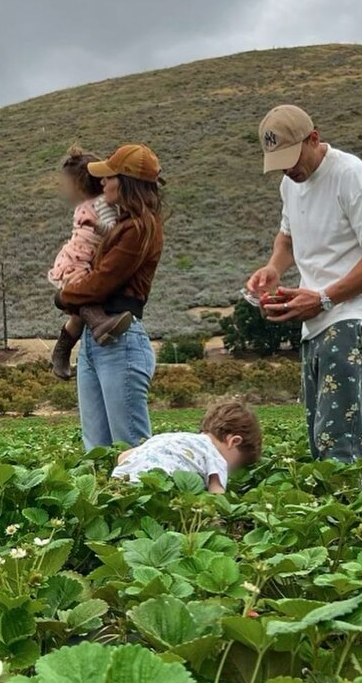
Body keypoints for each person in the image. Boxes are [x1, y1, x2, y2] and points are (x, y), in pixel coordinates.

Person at [246, 105, 362, 467]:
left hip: (357, 322)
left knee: (337, 445)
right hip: (316, 322)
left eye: (291, 158)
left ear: (313, 139)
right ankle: (341, 516)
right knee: (321, 442)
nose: (287, 169)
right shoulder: (291, 183)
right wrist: (273, 268)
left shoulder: (353, 177)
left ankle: (353, 519)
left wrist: (325, 298)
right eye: (279, 162)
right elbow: (286, 238)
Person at [59, 144, 164, 452]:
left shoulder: (140, 229)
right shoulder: (122, 224)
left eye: (109, 177)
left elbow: (100, 285)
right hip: (97, 340)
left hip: (122, 341)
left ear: (127, 182)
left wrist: (64, 295)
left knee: (130, 449)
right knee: (98, 452)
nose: (102, 183)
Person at [48, 148, 133, 380]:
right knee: (82, 301)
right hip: (77, 259)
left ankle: (61, 353)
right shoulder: (87, 205)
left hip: (84, 258)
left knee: (78, 313)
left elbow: (111, 230)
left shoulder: (103, 204)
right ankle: (100, 325)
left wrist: (96, 227)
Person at [111, 399, 262, 493]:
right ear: (233, 441)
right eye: (235, 464)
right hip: (153, 490)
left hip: (119, 482)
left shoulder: (173, 437)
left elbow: (123, 456)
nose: (229, 470)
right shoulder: (215, 456)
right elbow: (217, 495)